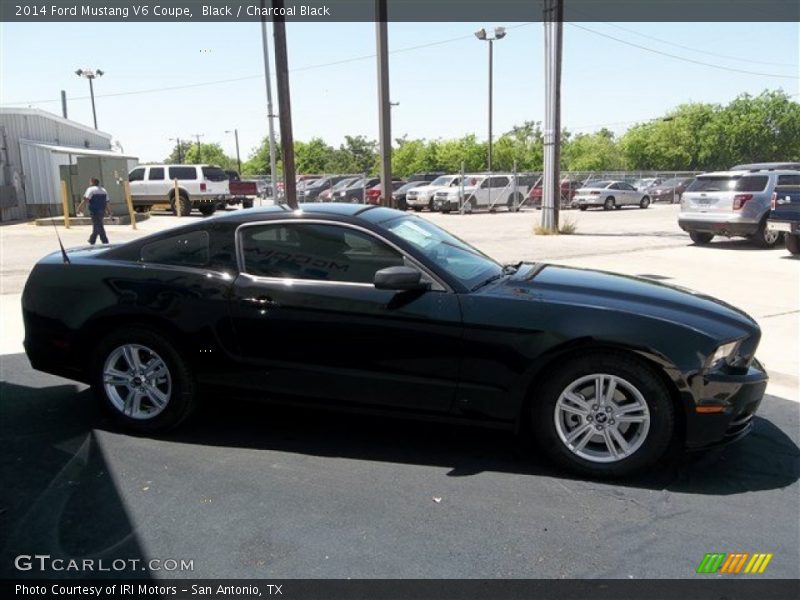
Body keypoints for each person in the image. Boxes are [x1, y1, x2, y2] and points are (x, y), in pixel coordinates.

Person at [77, 177, 112, 245]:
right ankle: (92, 240)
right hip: (102, 210)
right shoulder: (103, 190)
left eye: (90, 182)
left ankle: (104, 241)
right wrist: (109, 211)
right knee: (97, 225)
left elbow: (86, 200)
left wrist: (80, 208)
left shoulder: (90, 189)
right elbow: (107, 202)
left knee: (99, 226)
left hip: (94, 210)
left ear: (92, 182)